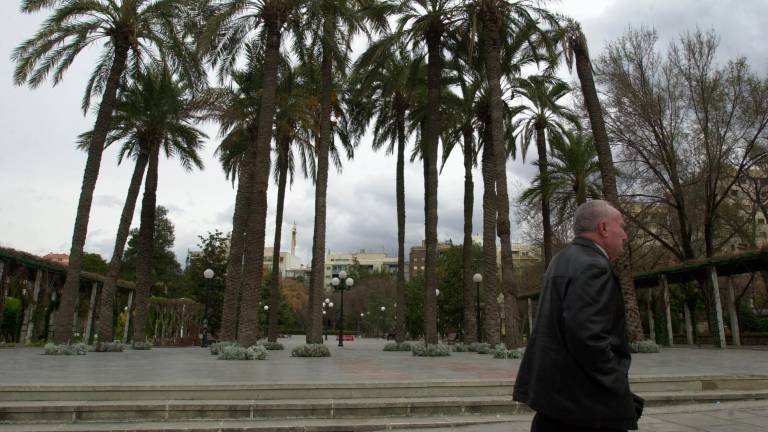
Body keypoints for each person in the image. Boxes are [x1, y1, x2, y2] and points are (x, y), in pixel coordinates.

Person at [513, 200, 643, 431]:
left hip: (557, 402)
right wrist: (617, 386)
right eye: (621, 227)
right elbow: (588, 336)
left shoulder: (561, 260)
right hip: (585, 407)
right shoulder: (594, 266)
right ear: (603, 228)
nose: (625, 236)